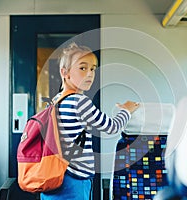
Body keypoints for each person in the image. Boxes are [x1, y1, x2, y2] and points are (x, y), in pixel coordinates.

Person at [40, 42, 139, 200]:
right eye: (82, 68)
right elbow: (112, 127)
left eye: (93, 68)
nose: (90, 74)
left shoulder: (55, 100)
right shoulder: (79, 101)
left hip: (53, 177)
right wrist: (127, 109)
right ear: (64, 72)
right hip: (73, 181)